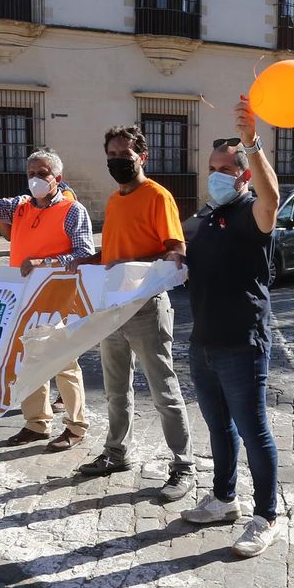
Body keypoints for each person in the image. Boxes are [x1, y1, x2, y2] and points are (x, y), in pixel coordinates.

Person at [175, 98, 285, 557]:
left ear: (243, 175)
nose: (216, 174)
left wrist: (252, 144)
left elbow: (272, 199)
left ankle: (266, 516)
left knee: (253, 430)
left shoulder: (251, 212)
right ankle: (224, 499)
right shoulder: (205, 217)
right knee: (218, 426)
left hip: (242, 343)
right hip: (203, 341)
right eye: (212, 168)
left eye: (225, 168)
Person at [0, 149, 94, 451]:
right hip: (24, 299)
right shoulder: (20, 207)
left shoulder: (72, 210)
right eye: (31, 174)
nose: (36, 179)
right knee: (27, 360)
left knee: (63, 362)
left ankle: (76, 426)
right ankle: (37, 423)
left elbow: (85, 254)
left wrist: (45, 263)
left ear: (58, 178)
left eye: (42, 173)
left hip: (59, 298)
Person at [76, 124, 195, 498]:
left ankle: (184, 466)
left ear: (142, 157)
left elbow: (175, 250)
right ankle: (117, 453)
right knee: (115, 390)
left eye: (124, 155)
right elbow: (115, 253)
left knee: (163, 391)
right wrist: (90, 261)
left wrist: (130, 267)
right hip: (112, 307)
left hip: (146, 307)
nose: (117, 161)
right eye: (111, 155)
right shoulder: (114, 201)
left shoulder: (157, 196)